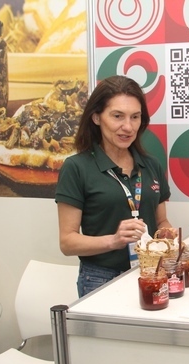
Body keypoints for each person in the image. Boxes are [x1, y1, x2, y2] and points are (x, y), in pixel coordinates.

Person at [55, 75, 173, 297]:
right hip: (100, 278)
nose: (127, 127)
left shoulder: (151, 165)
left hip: (152, 272)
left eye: (135, 117)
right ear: (96, 117)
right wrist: (114, 241)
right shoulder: (76, 167)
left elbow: (160, 222)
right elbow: (67, 242)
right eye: (117, 116)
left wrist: (169, 236)